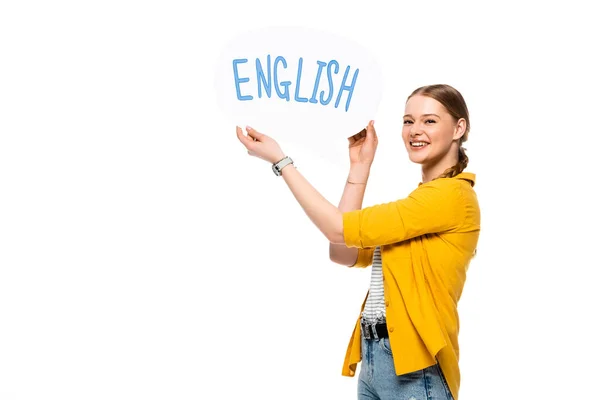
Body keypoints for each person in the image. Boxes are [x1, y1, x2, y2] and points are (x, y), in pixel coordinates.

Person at [236, 84, 480, 400]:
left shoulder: (451, 197)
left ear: (459, 128)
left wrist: (282, 161)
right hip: (374, 361)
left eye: (429, 121)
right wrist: (359, 167)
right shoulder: (420, 206)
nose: (415, 130)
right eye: (408, 121)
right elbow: (342, 252)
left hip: (414, 370)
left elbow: (337, 229)